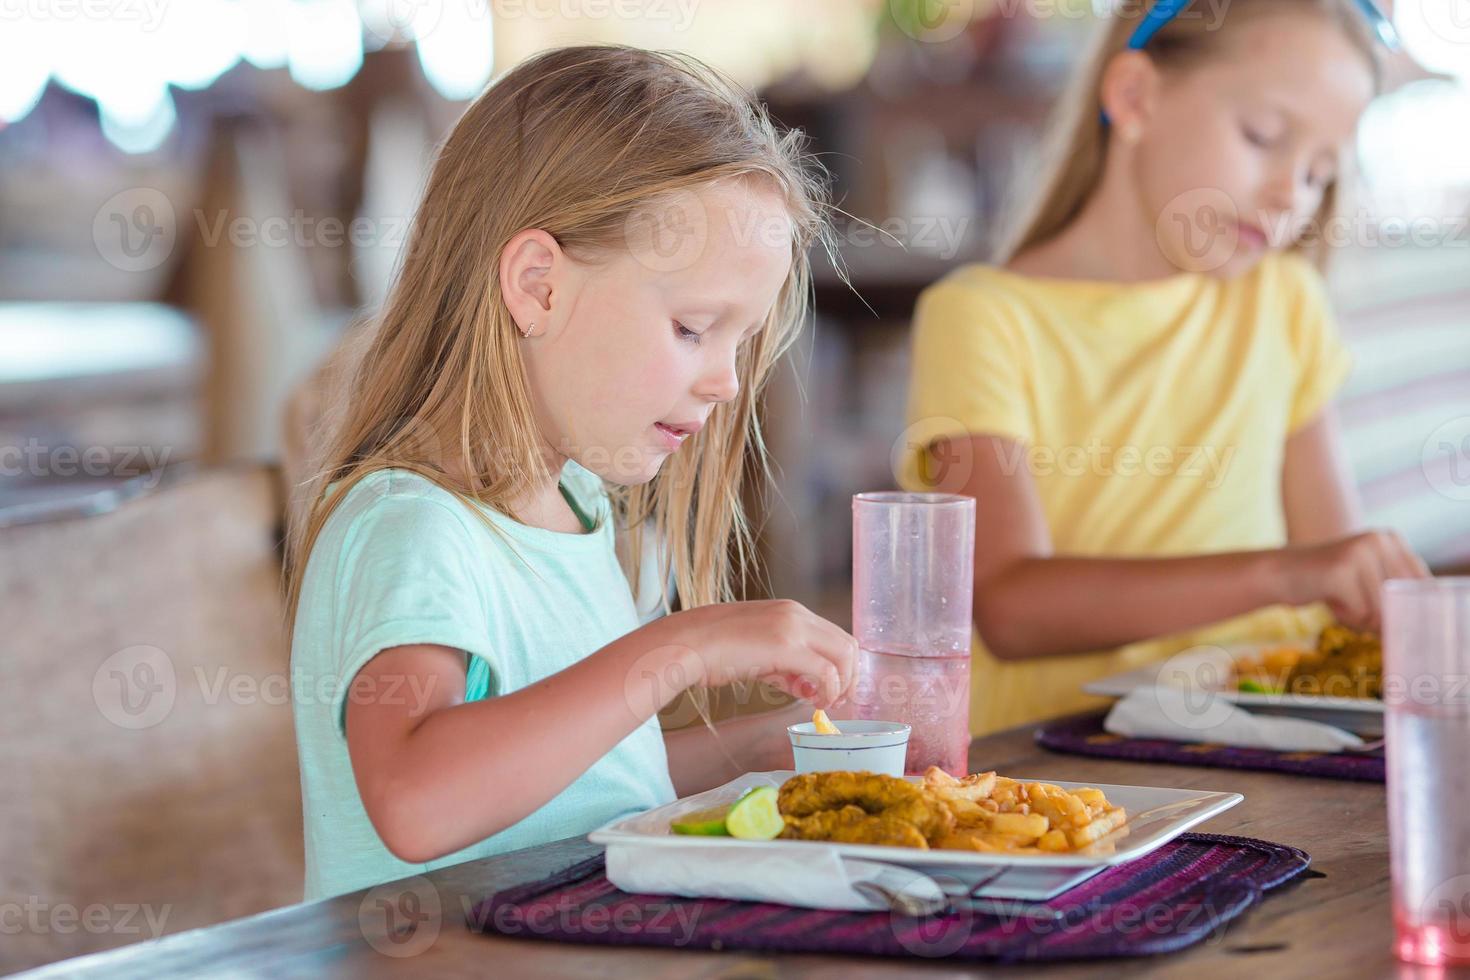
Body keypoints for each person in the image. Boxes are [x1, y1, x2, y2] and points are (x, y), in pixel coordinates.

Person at [286, 45, 856, 900]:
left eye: (741, 343)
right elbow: (417, 801)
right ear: (538, 287)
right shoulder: (412, 525)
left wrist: (780, 746)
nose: (727, 382)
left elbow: (594, 780)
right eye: (695, 327)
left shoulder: (577, 507)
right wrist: (677, 649)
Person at [899, 0, 1428, 735]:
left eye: (1319, 171)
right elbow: (1010, 610)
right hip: (1069, 775)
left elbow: (1344, 588)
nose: (1291, 195)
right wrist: (1288, 570)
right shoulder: (983, 317)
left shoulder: (1283, 302)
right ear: (1135, 97)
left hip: (1268, 747)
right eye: (1263, 136)